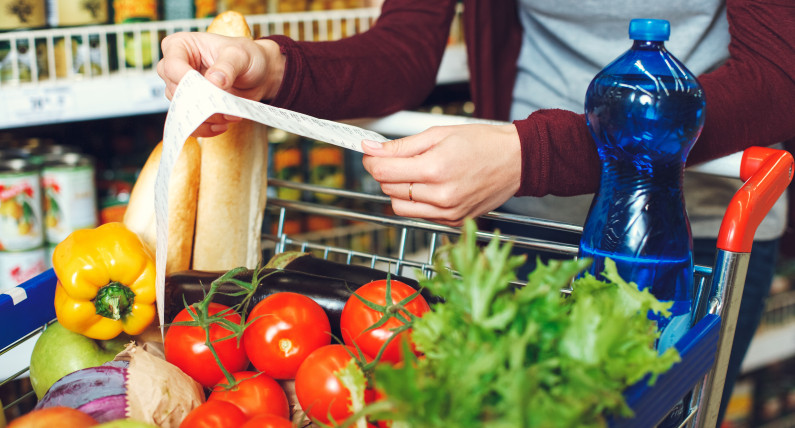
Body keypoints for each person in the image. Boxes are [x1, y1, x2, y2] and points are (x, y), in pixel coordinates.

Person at [157, 0, 795, 424]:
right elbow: (405, 48)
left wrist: (535, 154)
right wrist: (272, 66)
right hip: (521, 224)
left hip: (684, 233)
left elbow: (776, 75)